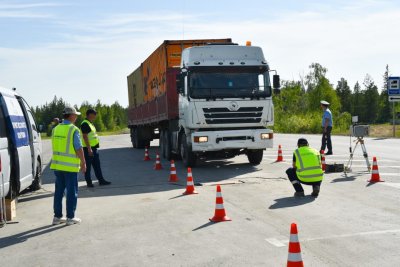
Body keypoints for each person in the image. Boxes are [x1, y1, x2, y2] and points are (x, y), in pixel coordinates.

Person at [51, 106, 86, 226]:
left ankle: (57, 217)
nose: (76, 117)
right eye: (75, 115)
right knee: (71, 192)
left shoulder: (55, 129)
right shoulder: (73, 129)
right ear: (71, 116)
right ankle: (70, 217)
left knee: (59, 192)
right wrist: (83, 162)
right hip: (70, 167)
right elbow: (79, 148)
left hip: (58, 166)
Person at [80, 109, 111, 187]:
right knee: (88, 167)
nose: (95, 116)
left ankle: (101, 180)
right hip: (88, 149)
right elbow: (85, 136)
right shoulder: (85, 123)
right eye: (94, 114)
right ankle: (89, 182)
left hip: (94, 149)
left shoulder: (91, 123)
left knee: (97, 166)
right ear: (89, 115)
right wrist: (89, 148)